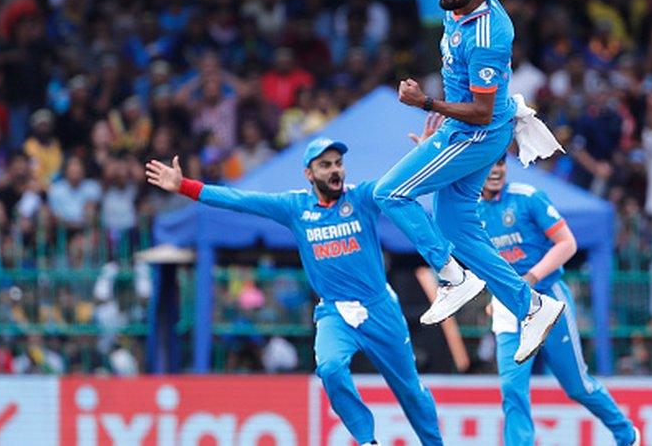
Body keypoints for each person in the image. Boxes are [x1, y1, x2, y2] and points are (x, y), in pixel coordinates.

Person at [144, 138, 443, 446]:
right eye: (325, 165)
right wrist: (186, 187)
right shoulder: (295, 207)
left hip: (379, 308)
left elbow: (398, 182)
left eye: (338, 163)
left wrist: (425, 150)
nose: (335, 170)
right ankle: (367, 440)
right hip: (335, 313)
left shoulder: (362, 197)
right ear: (309, 174)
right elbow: (239, 200)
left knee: (410, 390)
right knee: (329, 368)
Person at [374, 0, 565, 365]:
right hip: (470, 129)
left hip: (474, 135)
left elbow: (481, 113)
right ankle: (532, 306)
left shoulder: (488, 37)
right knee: (460, 231)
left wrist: (427, 103)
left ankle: (451, 276)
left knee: (389, 193)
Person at [478, 156, 640, 446]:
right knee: (512, 389)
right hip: (508, 308)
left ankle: (626, 433)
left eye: (501, 163)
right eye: (489, 164)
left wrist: (529, 278)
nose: (496, 169)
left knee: (577, 386)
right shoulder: (469, 210)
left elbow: (567, 243)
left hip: (548, 300)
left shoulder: (527, 198)